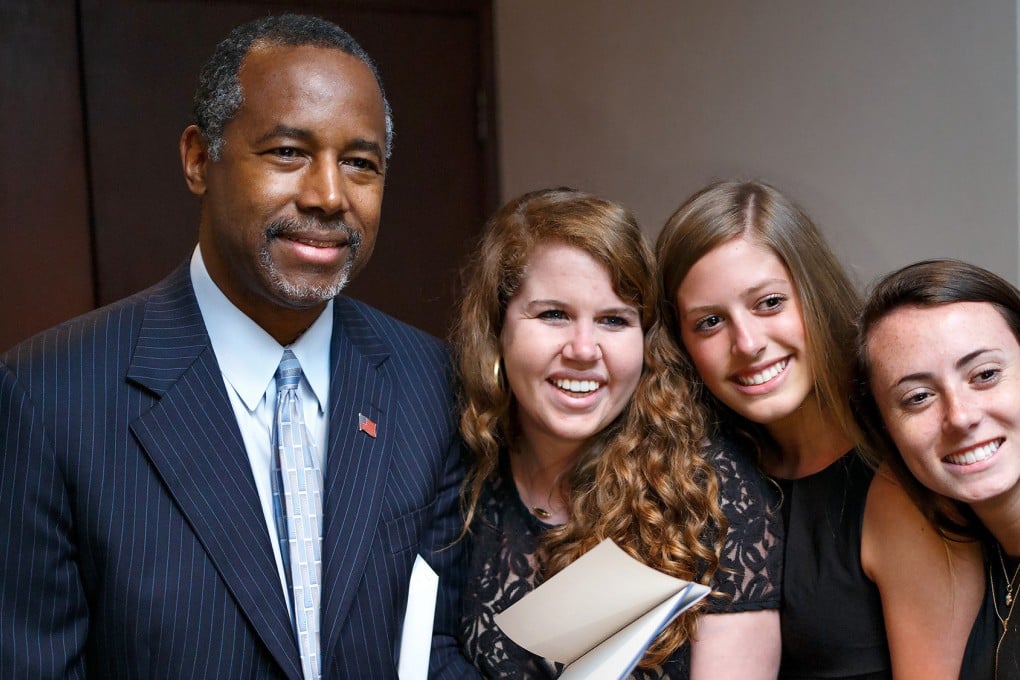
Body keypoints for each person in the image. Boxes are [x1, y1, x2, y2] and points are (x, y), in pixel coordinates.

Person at [0, 14, 474, 679]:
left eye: (360, 163)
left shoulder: (432, 385)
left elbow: (442, 646)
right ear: (199, 159)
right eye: (287, 152)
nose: (330, 196)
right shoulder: (52, 396)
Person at [655, 180, 984, 678]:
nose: (747, 343)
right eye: (709, 323)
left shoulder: (900, 488)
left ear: (814, 294)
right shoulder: (701, 475)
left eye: (768, 304)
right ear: (680, 342)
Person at [454, 187, 782, 678]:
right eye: (553, 314)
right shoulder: (460, 468)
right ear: (496, 328)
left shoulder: (709, 492)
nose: (584, 349)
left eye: (613, 320)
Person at [853, 258, 1020, 678]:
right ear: (886, 432)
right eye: (918, 398)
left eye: (985, 374)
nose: (959, 417)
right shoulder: (982, 563)